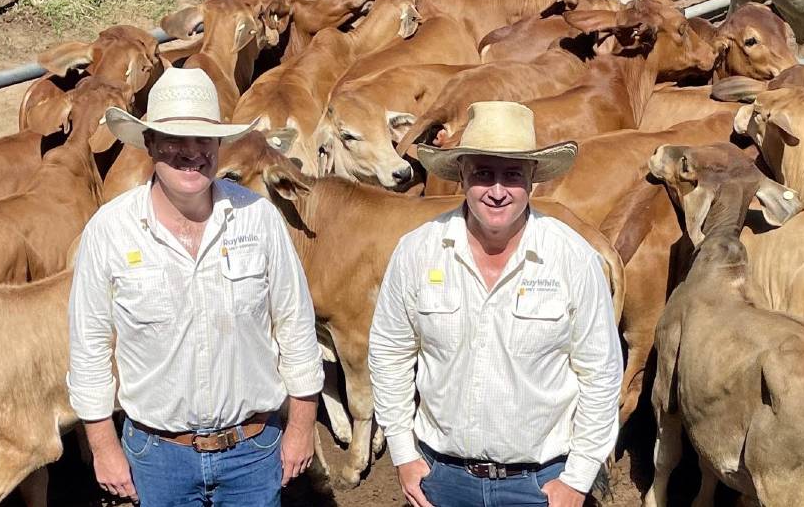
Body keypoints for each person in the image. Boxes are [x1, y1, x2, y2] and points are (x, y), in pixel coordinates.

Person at [67, 67, 323, 506]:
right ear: (149, 145)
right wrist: (104, 447)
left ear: (218, 145)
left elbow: (297, 329)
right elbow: (89, 349)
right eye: (173, 140)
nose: (191, 153)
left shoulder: (258, 218)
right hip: (158, 455)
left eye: (203, 140)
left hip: (253, 447)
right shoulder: (109, 230)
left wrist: (301, 428)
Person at [368, 101, 623, 507]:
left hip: (541, 483)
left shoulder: (573, 257)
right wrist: (403, 453)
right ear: (463, 174)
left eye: (512, 175)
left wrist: (577, 479)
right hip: (442, 478)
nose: (498, 191)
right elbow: (389, 353)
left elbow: (602, 373)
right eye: (484, 173)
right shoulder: (417, 251)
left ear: (533, 180)